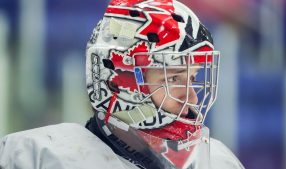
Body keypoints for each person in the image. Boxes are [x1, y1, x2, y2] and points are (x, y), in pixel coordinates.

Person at [0, 0, 245, 168]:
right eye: (173, 78)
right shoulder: (36, 157)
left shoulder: (219, 161)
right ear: (119, 83)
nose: (191, 98)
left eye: (191, 78)